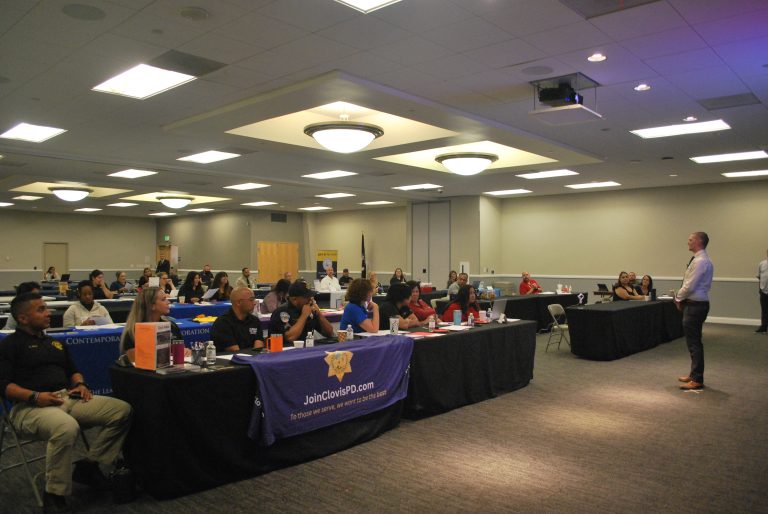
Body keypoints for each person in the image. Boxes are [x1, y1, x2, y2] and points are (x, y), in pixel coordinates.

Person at [0, 292, 132, 512]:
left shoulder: (54, 343)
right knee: (66, 427)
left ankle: (89, 466)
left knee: (122, 411)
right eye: (40, 309)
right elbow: (3, 386)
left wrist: (80, 384)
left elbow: (73, 371)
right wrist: (35, 396)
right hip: (30, 407)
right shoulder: (9, 345)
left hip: (67, 398)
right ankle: (54, 494)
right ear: (22, 318)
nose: (48, 313)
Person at [675, 232, 714, 390]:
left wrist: (678, 297)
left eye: (690, 239)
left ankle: (697, 378)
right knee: (693, 342)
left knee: (694, 343)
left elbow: (690, 285)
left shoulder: (700, 262)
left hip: (695, 306)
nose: (688, 242)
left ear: (698, 241)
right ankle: (694, 374)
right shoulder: (702, 260)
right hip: (696, 305)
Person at [120, 287, 183, 361]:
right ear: (151, 305)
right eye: (163, 299)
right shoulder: (133, 332)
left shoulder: (172, 326)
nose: (168, 302)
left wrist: (185, 351)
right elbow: (137, 360)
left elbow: (181, 349)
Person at [269, 282, 334, 344]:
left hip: (306, 349)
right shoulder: (281, 312)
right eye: (306, 297)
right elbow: (290, 338)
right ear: (295, 299)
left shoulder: (309, 308)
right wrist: (304, 316)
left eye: (311, 296)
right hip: (284, 351)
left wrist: (319, 313)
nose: (310, 299)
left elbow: (329, 333)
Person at [211, 287, 264, 352]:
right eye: (251, 300)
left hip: (253, 359)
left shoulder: (254, 321)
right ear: (239, 302)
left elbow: (259, 346)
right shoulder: (223, 323)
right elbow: (234, 351)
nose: (254, 303)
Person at [757, 249, 768, 333]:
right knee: (764, 310)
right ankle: (763, 327)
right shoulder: (762, 264)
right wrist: (760, 289)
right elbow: (759, 277)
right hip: (763, 291)